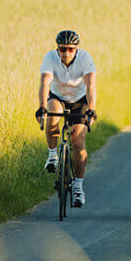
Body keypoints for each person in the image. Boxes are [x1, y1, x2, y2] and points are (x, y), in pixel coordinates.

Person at [35, 29, 97, 208]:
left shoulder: (85, 58)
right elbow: (45, 82)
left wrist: (91, 110)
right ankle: (53, 156)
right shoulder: (50, 57)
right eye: (63, 49)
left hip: (80, 100)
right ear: (57, 49)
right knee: (51, 114)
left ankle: (78, 187)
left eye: (71, 49)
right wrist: (41, 107)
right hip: (58, 97)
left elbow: (91, 85)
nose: (67, 53)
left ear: (76, 49)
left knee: (78, 142)